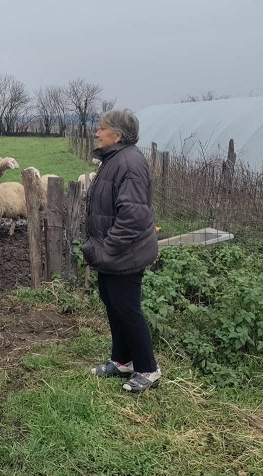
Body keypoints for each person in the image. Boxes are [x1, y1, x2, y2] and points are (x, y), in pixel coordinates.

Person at [81, 109, 161, 393]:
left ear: (117, 134)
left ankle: (148, 368)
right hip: (114, 253)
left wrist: (107, 248)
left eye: (101, 128)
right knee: (113, 304)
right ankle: (122, 360)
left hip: (126, 252)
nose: (96, 132)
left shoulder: (128, 164)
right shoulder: (114, 159)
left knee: (127, 309)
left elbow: (134, 216)